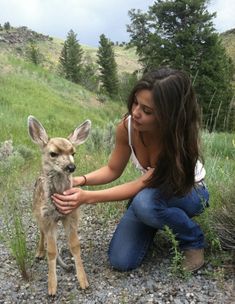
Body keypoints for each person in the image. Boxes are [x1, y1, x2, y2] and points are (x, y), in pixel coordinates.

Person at [52, 67, 209, 272]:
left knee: (144, 202)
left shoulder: (175, 141)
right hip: (152, 194)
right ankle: (158, 218)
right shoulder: (127, 127)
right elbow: (112, 169)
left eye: (147, 111)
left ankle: (192, 240)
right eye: (136, 102)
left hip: (190, 193)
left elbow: (141, 184)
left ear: (168, 115)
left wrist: (86, 197)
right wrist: (81, 180)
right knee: (121, 260)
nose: (136, 113)